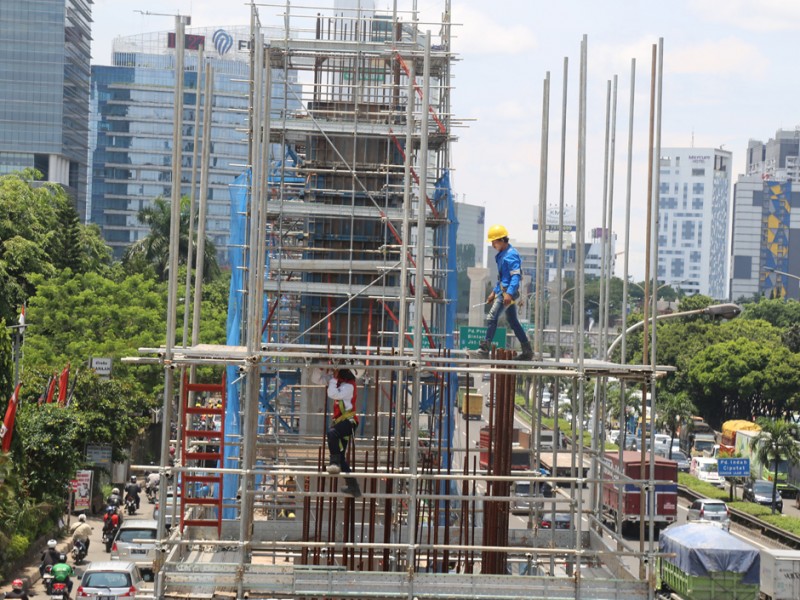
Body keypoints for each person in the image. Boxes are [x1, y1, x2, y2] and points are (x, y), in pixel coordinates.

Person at [472, 224, 533, 361]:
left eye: (494, 242)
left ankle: (484, 350)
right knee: (513, 321)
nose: (493, 245)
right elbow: (503, 278)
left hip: (507, 293)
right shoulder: (502, 255)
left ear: (502, 240)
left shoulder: (511, 254)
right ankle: (527, 351)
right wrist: (494, 292)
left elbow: (515, 276)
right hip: (503, 292)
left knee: (491, 317)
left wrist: (509, 294)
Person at [324, 368, 361, 497]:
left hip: (349, 422)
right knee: (341, 458)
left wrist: (333, 379)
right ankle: (353, 486)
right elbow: (319, 380)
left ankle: (334, 463)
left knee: (331, 433)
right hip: (342, 422)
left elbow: (332, 393)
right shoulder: (343, 385)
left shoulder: (349, 387)